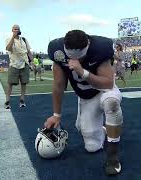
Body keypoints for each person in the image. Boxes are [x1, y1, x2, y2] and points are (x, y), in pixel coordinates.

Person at [45, 30, 123, 176]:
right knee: (92, 147)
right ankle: (104, 130)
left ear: (88, 44)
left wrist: (83, 72)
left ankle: (113, 156)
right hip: (86, 98)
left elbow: (107, 83)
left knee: (111, 102)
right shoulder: (58, 51)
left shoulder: (100, 48)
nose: (77, 61)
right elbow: (58, 85)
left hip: (104, 90)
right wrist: (56, 115)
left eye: (81, 57)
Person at [5, 24, 33, 109]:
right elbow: (8, 48)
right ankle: (7, 101)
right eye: (15, 29)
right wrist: (13, 37)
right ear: (12, 30)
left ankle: (22, 100)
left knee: (24, 83)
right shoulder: (8, 39)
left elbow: (28, 51)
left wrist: (32, 62)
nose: (16, 30)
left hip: (24, 63)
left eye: (18, 29)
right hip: (14, 64)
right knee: (10, 83)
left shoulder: (24, 39)